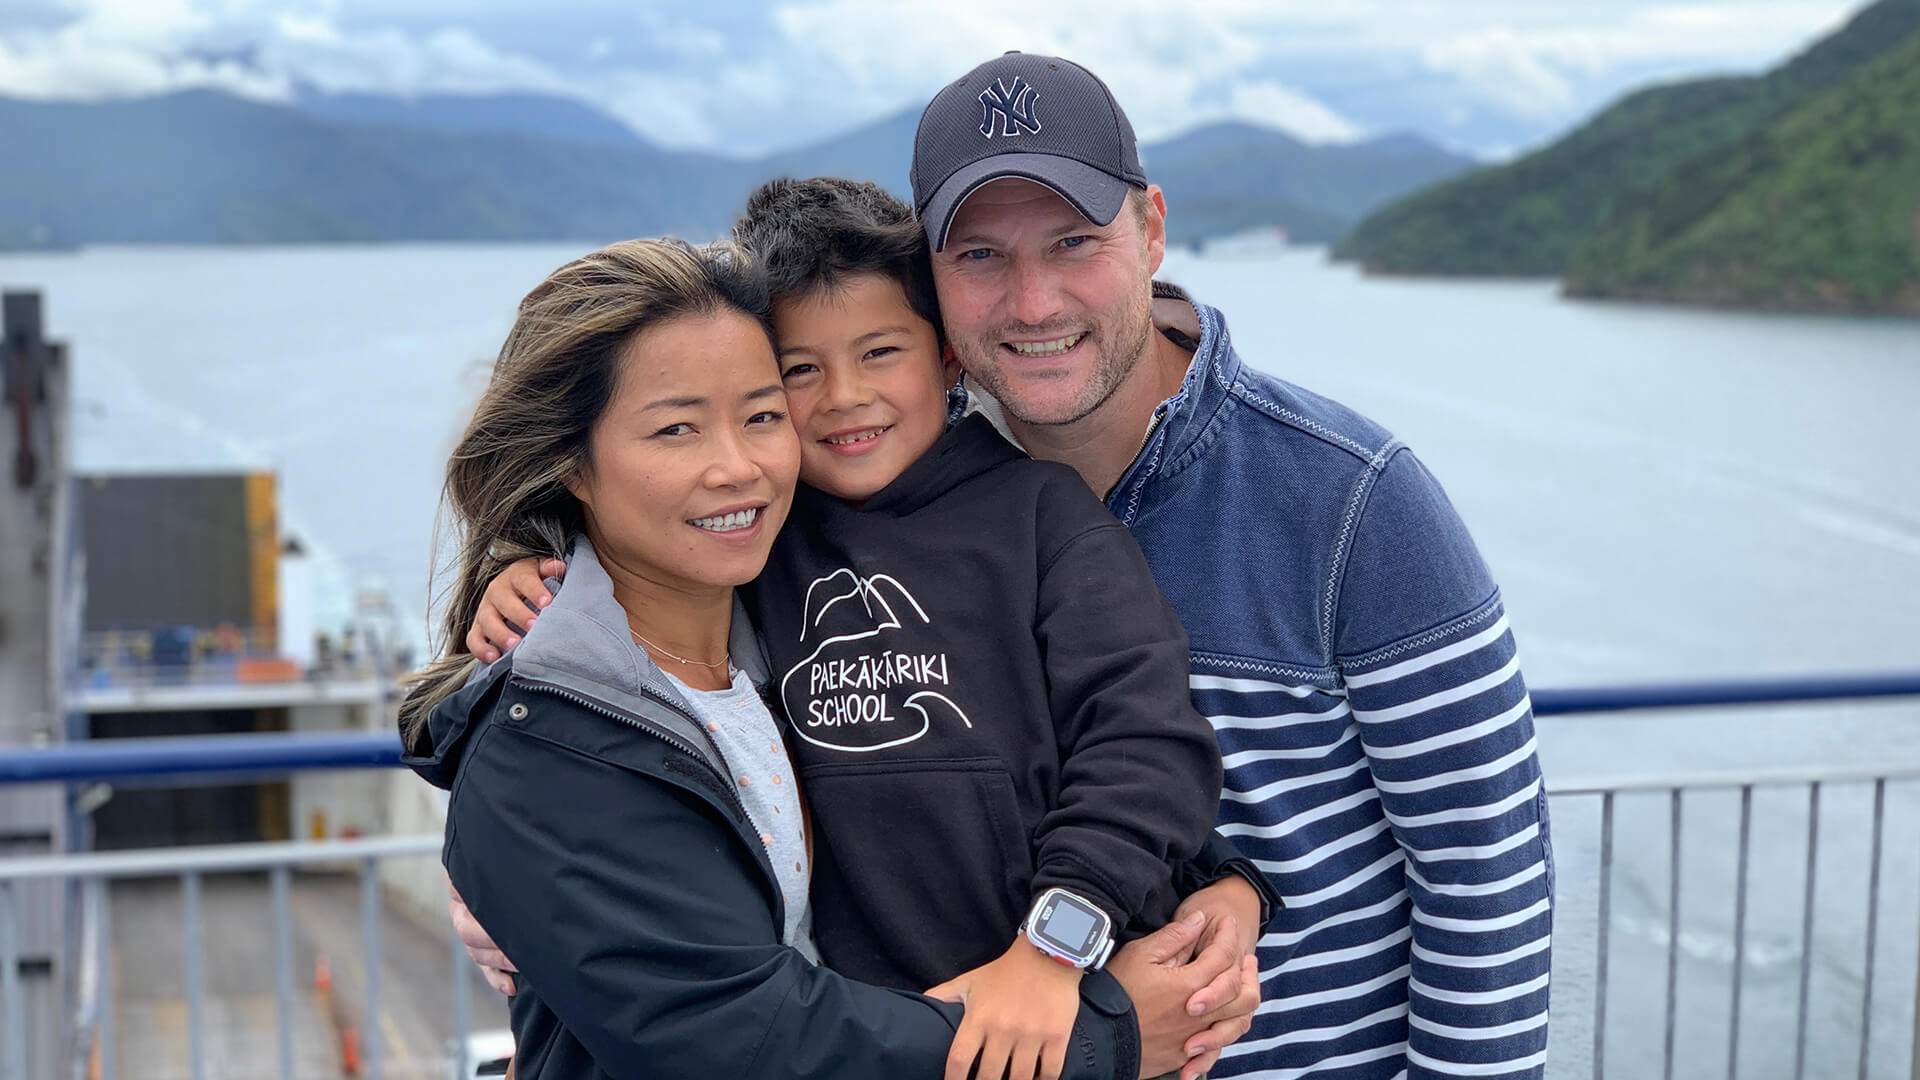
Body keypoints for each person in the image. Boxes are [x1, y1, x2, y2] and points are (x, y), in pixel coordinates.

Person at [400, 237, 1260, 1080]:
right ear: (570, 461)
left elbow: (1090, 747)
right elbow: (738, 1039)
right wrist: (1101, 1040)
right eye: (675, 429)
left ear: (946, 358)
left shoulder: (756, 620)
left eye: (761, 415)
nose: (735, 467)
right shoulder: (562, 726)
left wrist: (1218, 879)